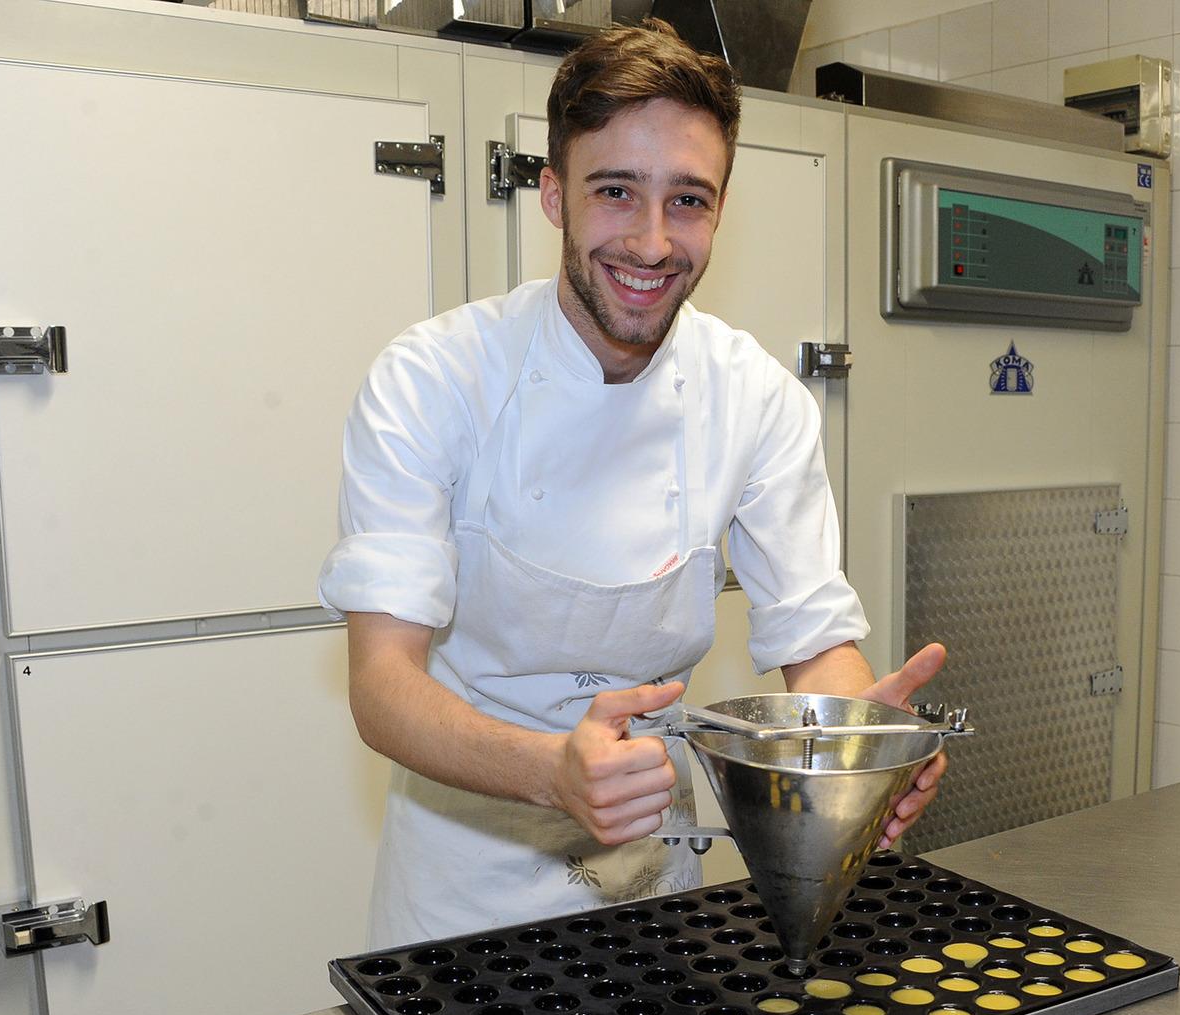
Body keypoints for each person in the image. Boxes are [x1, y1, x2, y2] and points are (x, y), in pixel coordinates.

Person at [318, 18, 947, 949]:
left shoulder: (755, 398)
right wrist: (549, 770)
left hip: (659, 884)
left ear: (721, 210)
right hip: (460, 898)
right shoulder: (436, 380)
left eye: (687, 200)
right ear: (552, 195)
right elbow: (380, 685)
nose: (652, 243)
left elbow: (814, 643)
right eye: (616, 192)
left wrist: (857, 749)